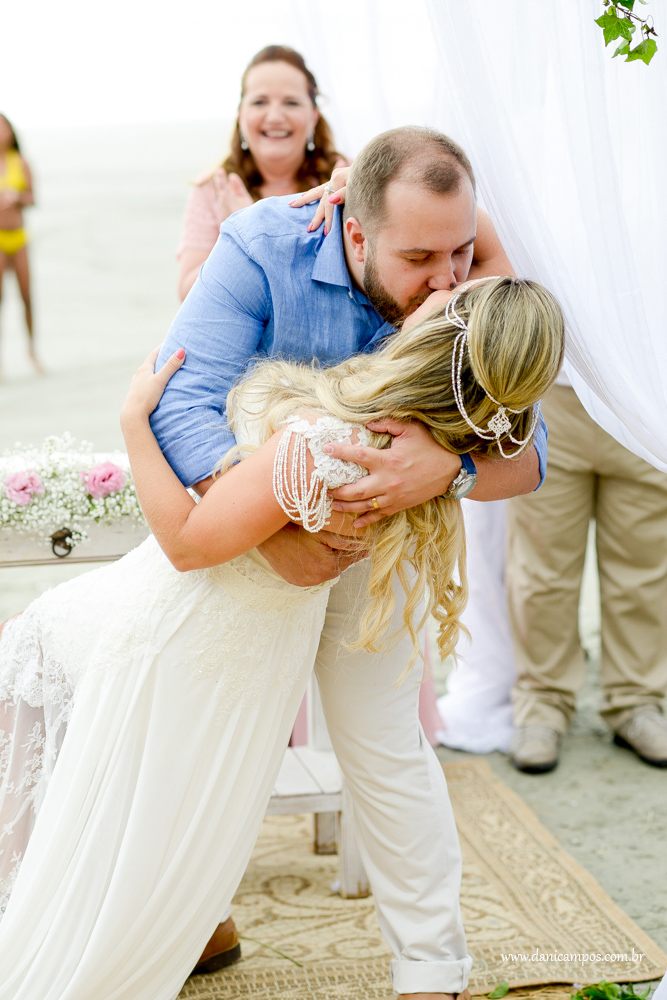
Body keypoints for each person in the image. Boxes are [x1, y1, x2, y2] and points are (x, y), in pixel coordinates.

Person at [0, 274, 564, 1000]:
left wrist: (135, 423)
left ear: (434, 338)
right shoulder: (418, 471)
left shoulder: (321, 438)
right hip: (242, 667)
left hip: (164, 623)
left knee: (21, 659)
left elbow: (186, 543)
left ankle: (32, 919)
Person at [150, 125, 551, 999]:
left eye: (459, 249)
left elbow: (529, 453)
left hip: (386, 549)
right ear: (355, 231)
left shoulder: (461, 281)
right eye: (419, 257)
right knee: (217, 739)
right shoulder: (259, 244)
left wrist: (450, 466)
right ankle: (193, 916)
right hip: (255, 542)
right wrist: (269, 527)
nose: (444, 281)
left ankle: (432, 970)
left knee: (384, 747)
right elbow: (178, 402)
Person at [507, 374, 667, 773]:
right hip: (549, 393)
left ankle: (637, 699)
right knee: (542, 572)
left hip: (646, 396)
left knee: (643, 571)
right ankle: (541, 704)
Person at [177, 45, 347, 301]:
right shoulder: (213, 188)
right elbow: (187, 293)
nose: (275, 116)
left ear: (313, 117)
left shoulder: (344, 179)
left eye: (291, 102)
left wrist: (254, 228)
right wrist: (237, 234)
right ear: (240, 115)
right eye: (259, 102)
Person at [0, 114, 39, 377]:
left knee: (26, 297)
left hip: (20, 237)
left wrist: (17, 197)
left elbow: (33, 197)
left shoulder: (20, 162)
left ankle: (31, 350)